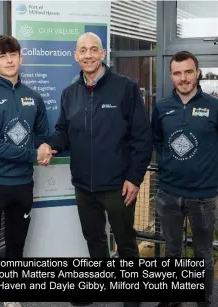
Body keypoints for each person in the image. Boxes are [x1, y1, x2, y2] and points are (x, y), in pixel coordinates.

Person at [47, 32, 153, 307]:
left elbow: (142, 137)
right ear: (76, 56)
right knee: (94, 239)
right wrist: (48, 146)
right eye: (83, 50)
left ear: (103, 53)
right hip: (83, 185)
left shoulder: (125, 88)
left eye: (94, 49)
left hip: (118, 185)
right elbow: (62, 132)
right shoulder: (70, 93)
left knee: (125, 241)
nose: (88, 55)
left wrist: (134, 177)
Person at [0, 35, 50, 307]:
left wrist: (43, 150)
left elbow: (42, 136)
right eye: (2, 56)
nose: (9, 60)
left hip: (22, 184)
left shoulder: (34, 98)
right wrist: (33, 154)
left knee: (16, 245)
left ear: (20, 57)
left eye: (13, 54)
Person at [152, 51, 218, 307]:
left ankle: (204, 299)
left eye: (188, 72)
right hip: (168, 192)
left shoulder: (213, 107)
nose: (183, 78)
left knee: (203, 253)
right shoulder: (161, 107)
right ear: (171, 76)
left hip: (203, 194)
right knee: (172, 251)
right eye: (177, 73)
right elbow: (157, 140)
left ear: (197, 72)